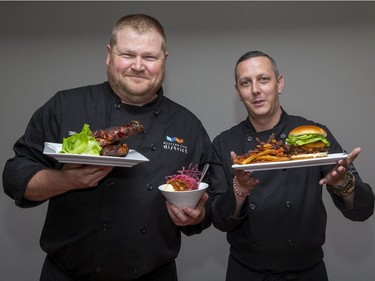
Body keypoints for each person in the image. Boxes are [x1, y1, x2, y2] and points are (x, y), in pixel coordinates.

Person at [2, 14, 212, 281]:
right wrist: (64, 180)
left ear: (164, 61)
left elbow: (211, 195)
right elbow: (14, 176)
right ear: (109, 54)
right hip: (67, 275)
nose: (138, 66)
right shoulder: (66, 106)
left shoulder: (187, 124)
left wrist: (197, 214)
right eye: (127, 54)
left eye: (149, 57)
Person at [209, 50, 374, 281]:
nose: (255, 89)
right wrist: (240, 191)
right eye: (246, 83)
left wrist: (342, 182)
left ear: (279, 83)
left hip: (306, 271)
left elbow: (363, 210)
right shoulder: (224, 144)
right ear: (238, 92)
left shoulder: (314, 136)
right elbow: (219, 220)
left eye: (263, 79)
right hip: (246, 271)